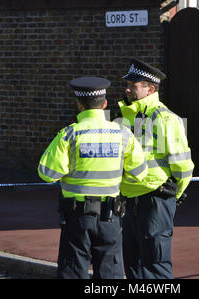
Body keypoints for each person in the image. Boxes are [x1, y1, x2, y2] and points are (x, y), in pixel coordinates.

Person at [38, 76, 148, 279]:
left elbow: (47, 174)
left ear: (79, 104)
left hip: (77, 218)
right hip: (110, 216)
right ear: (104, 103)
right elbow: (141, 173)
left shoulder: (69, 135)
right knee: (110, 274)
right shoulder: (123, 135)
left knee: (73, 271)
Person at [117, 58, 194, 279]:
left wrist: (175, 193)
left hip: (155, 199)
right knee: (132, 264)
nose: (127, 89)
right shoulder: (127, 118)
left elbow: (182, 163)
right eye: (128, 84)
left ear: (150, 89)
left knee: (154, 264)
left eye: (133, 85)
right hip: (130, 201)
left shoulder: (165, 118)